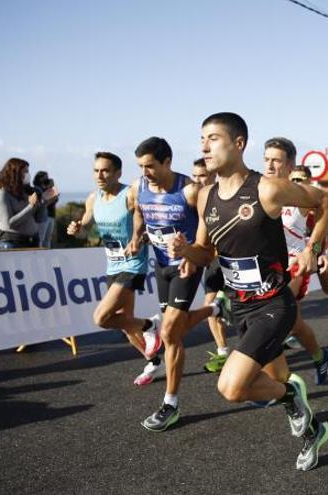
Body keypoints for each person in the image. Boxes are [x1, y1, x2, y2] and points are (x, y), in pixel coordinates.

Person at [175, 112, 328, 471]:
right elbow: (207, 252)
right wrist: (187, 252)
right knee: (271, 381)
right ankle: (312, 430)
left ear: (239, 143)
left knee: (231, 388)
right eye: (202, 139)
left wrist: (313, 248)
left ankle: (294, 398)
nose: (204, 145)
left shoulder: (267, 189)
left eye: (213, 138)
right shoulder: (204, 197)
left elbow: (323, 204)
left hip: (274, 304)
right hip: (240, 307)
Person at [128, 137, 223, 431]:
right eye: (141, 166)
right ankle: (216, 309)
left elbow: (212, 234)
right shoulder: (139, 188)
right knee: (174, 330)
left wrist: (193, 252)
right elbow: (139, 213)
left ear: (167, 161)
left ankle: (170, 403)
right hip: (161, 267)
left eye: (151, 166)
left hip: (187, 266)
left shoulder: (191, 191)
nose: (146, 172)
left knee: (170, 332)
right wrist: (137, 237)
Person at [67, 152, 164, 384]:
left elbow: (151, 219)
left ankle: (150, 325)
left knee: (101, 318)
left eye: (105, 170)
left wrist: (140, 238)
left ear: (117, 173)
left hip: (133, 263)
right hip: (113, 264)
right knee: (124, 322)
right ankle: (154, 363)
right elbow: (86, 228)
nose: (99, 175)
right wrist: (76, 228)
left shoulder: (129, 194)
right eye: (96, 170)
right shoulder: (93, 198)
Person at [263, 138, 328, 385]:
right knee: (294, 323)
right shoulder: (262, 190)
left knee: (274, 314)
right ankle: (321, 356)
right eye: (267, 159)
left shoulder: (300, 197)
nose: (270, 165)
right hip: (268, 265)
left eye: (276, 160)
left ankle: (279, 385)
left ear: (289, 164)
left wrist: (319, 250)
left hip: (295, 263)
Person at [192, 158, 231, 373]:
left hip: (234, 260)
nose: (197, 180)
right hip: (213, 261)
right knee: (210, 308)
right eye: (195, 175)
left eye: (202, 175)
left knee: (245, 313)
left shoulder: (223, 195)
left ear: (213, 176)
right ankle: (223, 352)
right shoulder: (194, 198)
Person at [0, 158, 42, 249]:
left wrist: (45, 201)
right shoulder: (1, 194)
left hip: (32, 242)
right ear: (15, 173)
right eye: (25, 171)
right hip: (13, 243)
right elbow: (9, 223)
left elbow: (36, 217)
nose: (28, 174)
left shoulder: (23, 192)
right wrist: (31, 206)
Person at [32, 171, 59, 248]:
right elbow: (42, 204)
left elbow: (55, 198)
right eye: (45, 177)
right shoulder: (37, 189)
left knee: (48, 238)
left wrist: (52, 187)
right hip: (42, 217)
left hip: (51, 215)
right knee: (41, 239)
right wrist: (51, 198)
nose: (47, 179)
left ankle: (47, 255)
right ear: (39, 178)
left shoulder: (48, 188)